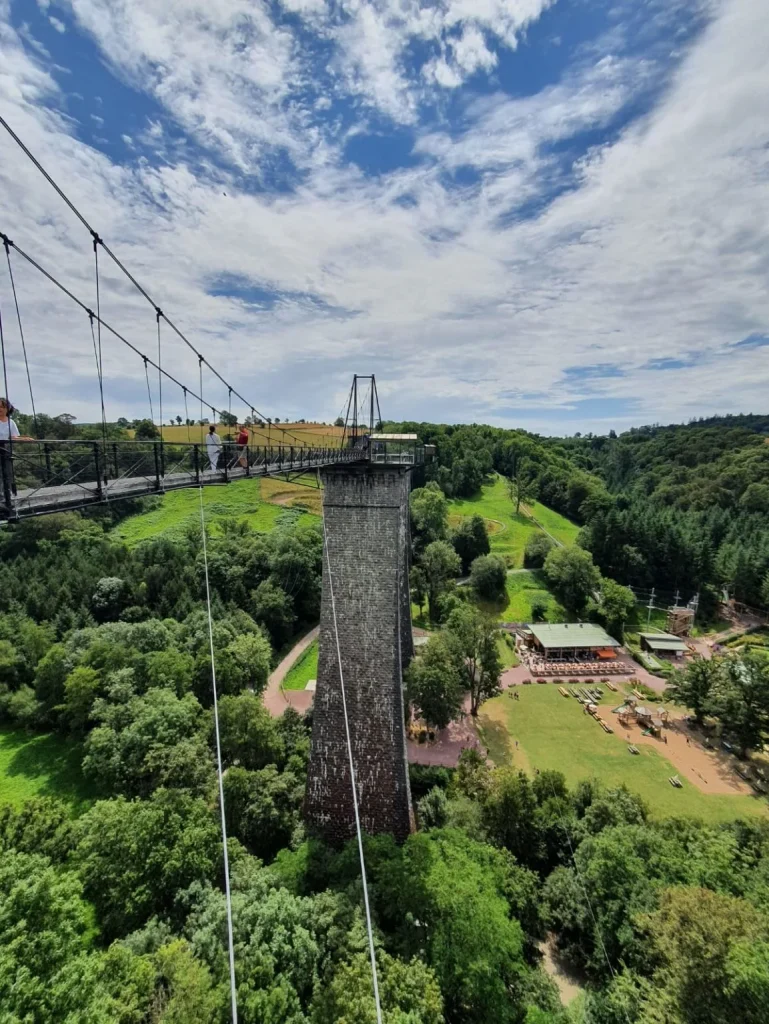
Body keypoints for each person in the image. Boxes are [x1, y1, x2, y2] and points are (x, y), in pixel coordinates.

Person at [0, 397, 33, 502]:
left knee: (7, 472)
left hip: (6, 450)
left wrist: (25, 439)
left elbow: (14, 437)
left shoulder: (11, 422)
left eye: (2, 407)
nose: (0, 409)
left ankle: (6, 495)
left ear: (7, 408)